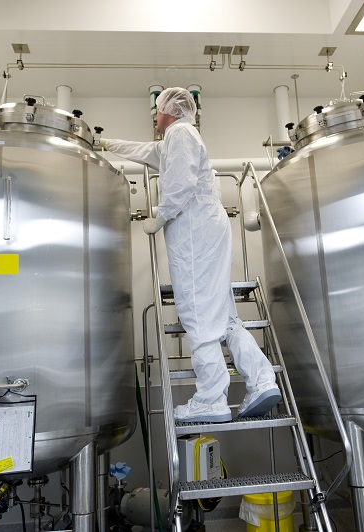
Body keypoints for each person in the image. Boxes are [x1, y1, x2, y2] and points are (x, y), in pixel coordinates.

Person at [99, 87, 281, 423]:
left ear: (169, 110)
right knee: (225, 319)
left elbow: (179, 184)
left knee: (197, 314)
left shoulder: (180, 133)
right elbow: (147, 151)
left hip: (196, 237)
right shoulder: (175, 140)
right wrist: (109, 145)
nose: (154, 116)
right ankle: (261, 380)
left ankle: (210, 398)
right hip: (207, 234)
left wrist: (161, 216)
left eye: (156, 110)